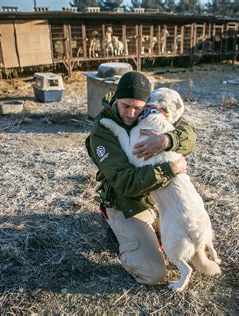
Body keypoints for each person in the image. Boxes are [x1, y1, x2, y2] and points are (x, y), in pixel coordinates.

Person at [85, 71, 197, 285]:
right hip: (127, 202)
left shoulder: (150, 113)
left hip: (157, 198)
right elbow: (125, 182)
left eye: (138, 107)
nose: (131, 113)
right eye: (126, 106)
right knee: (154, 275)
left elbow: (189, 132)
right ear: (116, 98)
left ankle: (150, 233)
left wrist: (167, 140)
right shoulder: (103, 131)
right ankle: (118, 233)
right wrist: (170, 169)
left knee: (190, 249)